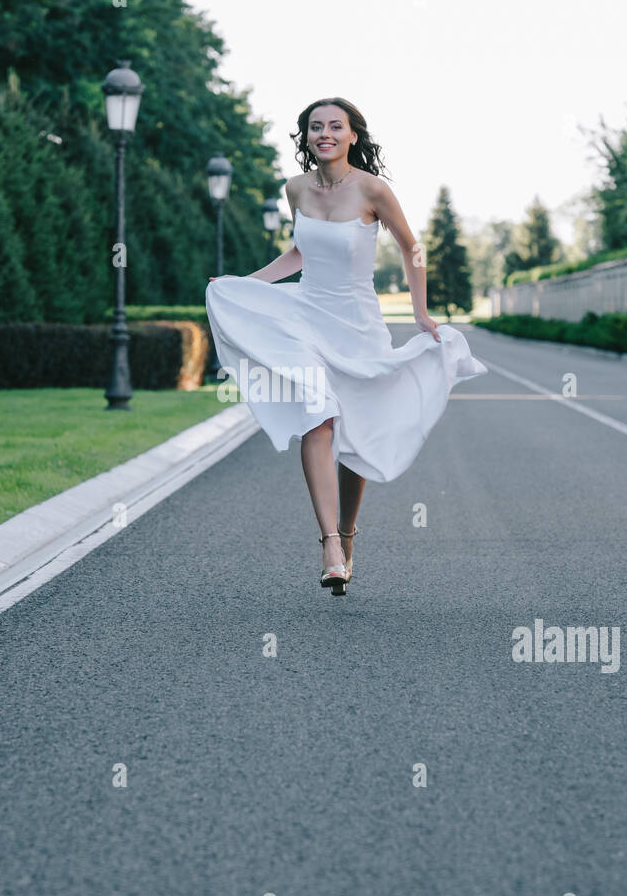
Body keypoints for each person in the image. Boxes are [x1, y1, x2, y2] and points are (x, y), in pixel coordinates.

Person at [205, 96, 487, 595]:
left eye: (335, 126)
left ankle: (349, 531)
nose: (325, 134)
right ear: (307, 136)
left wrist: (421, 313)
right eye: (316, 127)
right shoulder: (295, 189)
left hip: (358, 325)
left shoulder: (373, 190)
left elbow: (411, 246)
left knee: (354, 435)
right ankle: (330, 543)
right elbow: (299, 252)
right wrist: (246, 285)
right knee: (319, 413)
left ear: (353, 135)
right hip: (306, 319)